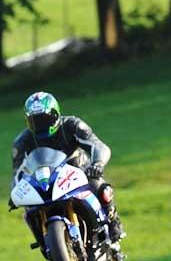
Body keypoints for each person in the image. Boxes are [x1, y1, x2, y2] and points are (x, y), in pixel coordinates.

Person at [12, 91, 125, 242]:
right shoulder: (22, 142)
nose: (41, 126)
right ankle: (44, 241)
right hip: (46, 181)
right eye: (35, 122)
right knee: (29, 208)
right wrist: (15, 193)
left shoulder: (73, 125)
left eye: (45, 120)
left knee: (99, 185)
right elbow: (17, 173)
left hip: (78, 173)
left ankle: (113, 220)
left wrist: (97, 163)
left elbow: (98, 145)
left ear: (56, 115)